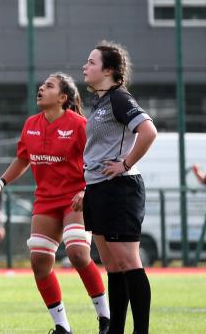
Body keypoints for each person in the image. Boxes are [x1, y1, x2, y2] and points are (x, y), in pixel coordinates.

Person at [0, 73, 110, 334]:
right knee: (39, 262)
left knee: (77, 254)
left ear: (63, 98)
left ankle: (105, 319)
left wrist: (88, 191)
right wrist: (0, 183)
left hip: (75, 197)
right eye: (42, 85)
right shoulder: (31, 123)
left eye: (49, 86)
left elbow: (96, 161)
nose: (41, 88)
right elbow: (22, 159)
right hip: (46, 200)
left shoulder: (78, 125)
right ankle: (62, 327)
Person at [72, 41, 157, 334]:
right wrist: (87, 187)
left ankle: (141, 331)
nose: (86, 66)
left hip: (120, 189)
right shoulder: (100, 103)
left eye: (92, 62)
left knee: (127, 260)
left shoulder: (120, 99)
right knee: (112, 265)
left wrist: (125, 163)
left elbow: (148, 131)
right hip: (98, 190)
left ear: (109, 70)